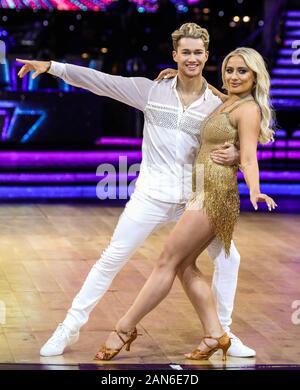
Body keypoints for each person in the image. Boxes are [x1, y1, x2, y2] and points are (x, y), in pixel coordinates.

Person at [17, 23, 254, 359]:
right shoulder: (151, 91)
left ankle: (224, 333)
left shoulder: (217, 103)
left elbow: (254, 127)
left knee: (230, 258)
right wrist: (53, 67)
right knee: (111, 259)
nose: (192, 58)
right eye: (185, 52)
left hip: (196, 198)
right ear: (175, 55)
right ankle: (69, 327)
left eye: (198, 52)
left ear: (206, 56)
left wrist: (235, 154)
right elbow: (101, 83)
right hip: (151, 194)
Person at [94, 46, 277, 361]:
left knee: (167, 261)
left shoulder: (247, 109)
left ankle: (124, 328)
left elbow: (248, 155)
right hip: (201, 190)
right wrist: (176, 78)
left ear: (255, 76)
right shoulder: (226, 100)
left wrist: (255, 189)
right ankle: (215, 335)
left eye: (242, 71)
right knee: (184, 266)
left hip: (214, 194)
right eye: (230, 70)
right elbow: (211, 97)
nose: (234, 76)